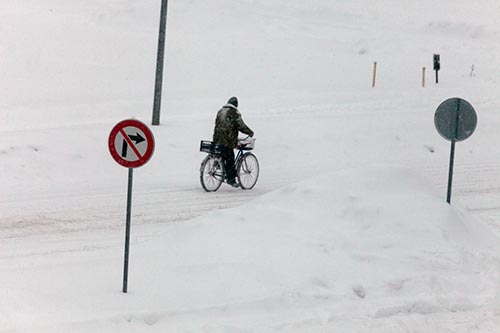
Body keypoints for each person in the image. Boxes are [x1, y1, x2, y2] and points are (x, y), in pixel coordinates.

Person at [213, 96, 254, 187]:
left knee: (222, 153)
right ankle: (231, 180)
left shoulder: (220, 111)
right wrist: (250, 132)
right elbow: (241, 125)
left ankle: (217, 164)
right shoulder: (234, 112)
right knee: (230, 158)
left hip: (217, 138)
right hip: (228, 139)